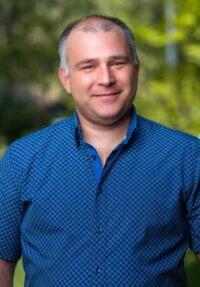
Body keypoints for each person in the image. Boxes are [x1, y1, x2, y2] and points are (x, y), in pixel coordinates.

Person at [0, 15, 199, 287]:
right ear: (66, 79)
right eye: (88, 66)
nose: (106, 79)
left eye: (117, 63)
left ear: (136, 69)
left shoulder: (188, 156)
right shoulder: (21, 159)